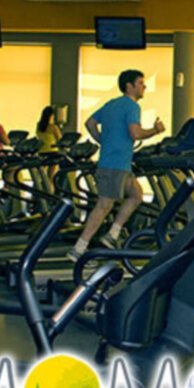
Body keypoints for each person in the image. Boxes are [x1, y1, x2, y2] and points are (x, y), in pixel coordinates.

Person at [67, 69, 165, 262]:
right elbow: (135, 134)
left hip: (120, 164)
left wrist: (103, 140)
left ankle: (112, 234)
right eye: (140, 83)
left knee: (136, 196)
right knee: (104, 205)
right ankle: (78, 249)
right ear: (129, 86)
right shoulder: (131, 106)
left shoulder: (112, 104)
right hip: (115, 164)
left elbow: (90, 123)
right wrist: (155, 130)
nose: (144, 86)